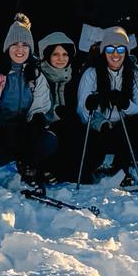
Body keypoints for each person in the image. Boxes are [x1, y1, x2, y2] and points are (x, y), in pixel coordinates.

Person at [0, 16, 55, 193]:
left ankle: (28, 167)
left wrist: (35, 123)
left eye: (25, 45)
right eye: (15, 44)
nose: (20, 49)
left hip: (19, 130)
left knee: (48, 140)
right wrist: (0, 131)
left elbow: (41, 106)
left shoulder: (35, 75)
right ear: (7, 48)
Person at [75, 26, 138, 182]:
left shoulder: (135, 71)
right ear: (103, 51)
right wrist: (92, 108)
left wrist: (125, 104)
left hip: (123, 127)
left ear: (126, 51)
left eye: (120, 49)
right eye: (110, 49)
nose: (115, 54)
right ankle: (95, 164)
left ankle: (122, 165)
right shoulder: (92, 72)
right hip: (99, 129)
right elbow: (81, 111)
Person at [39, 31, 82, 180]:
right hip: (44, 127)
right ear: (47, 55)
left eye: (65, 54)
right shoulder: (38, 76)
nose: (61, 59)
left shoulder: (74, 77)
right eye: (55, 54)